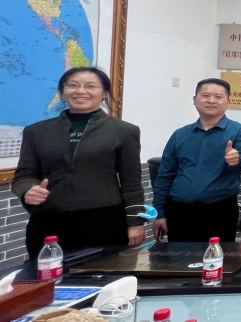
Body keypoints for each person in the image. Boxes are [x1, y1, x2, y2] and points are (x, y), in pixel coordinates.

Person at [14, 68, 145, 256]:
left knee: (102, 272)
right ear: (63, 92)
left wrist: (135, 222)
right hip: (48, 222)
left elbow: (131, 183)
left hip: (104, 221)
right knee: (46, 273)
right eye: (73, 85)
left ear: (104, 93)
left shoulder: (123, 131)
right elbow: (24, 175)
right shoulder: (36, 132)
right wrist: (27, 190)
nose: (80, 91)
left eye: (90, 86)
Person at [153, 78, 241, 243]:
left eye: (218, 97)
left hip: (219, 212)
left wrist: (238, 159)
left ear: (228, 102)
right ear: (195, 100)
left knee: (217, 257)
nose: (211, 100)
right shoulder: (180, 135)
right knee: (178, 258)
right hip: (178, 211)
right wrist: (159, 213)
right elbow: (165, 175)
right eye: (205, 95)